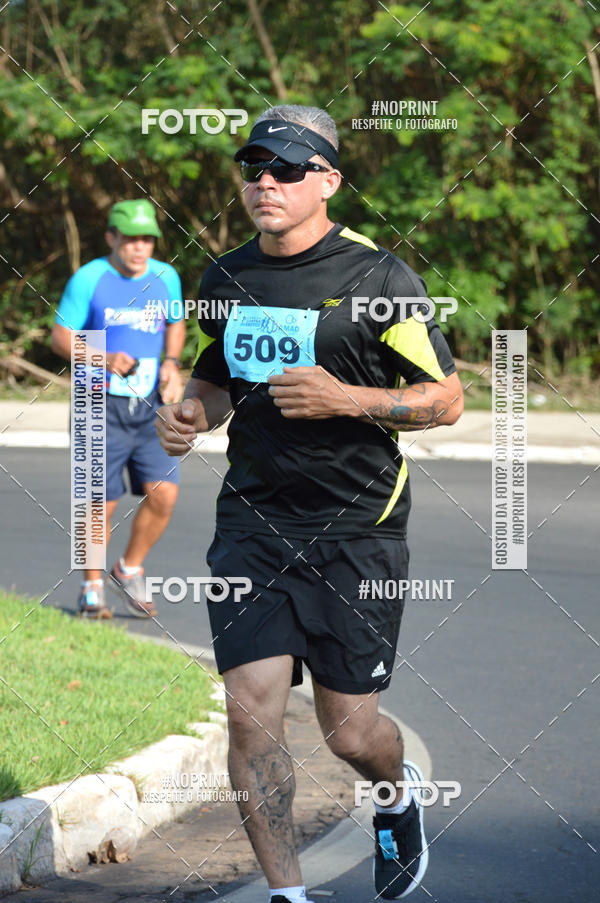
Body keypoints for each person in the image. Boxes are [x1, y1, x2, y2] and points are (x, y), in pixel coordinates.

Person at [156, 105, 463, 902]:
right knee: (251, 716)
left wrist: (344, 398)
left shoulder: (379, 278)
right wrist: (192, 414)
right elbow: (216, 380)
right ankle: (287, 895)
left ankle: (395, 799)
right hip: (253, 526)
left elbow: (447, 399)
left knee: (348, 729)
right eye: (254, 167)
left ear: (327, 179)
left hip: (356, 528)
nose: (265, 182)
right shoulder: (225, 277)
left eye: (287, 169)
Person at [51, 198, 185, 619]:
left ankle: (128, 569)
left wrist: (172, 363)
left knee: (164, 494)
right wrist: (104, 357)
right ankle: (91, 585)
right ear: (112, 238)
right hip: (98, 401)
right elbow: (58, 338)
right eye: (130, 240)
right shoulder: (89, 279)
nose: (139, 248)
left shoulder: (167, 276)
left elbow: (175, 321)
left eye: (147, 240)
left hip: (151, 405)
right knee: (98, 501)